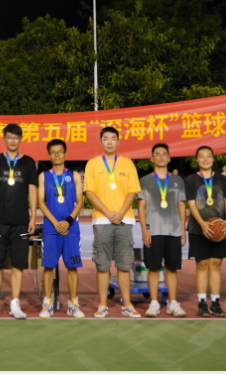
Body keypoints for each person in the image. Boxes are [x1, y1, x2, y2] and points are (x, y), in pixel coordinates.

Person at [84, 126, 141, 318]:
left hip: (125, 219)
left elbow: (132, 191)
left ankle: (127, 304)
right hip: (102, 220)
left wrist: (122, 211)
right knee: (102, 265)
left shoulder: (127, 164)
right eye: (106, 138)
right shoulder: (92, 164)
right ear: (101, 141)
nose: (109, 142)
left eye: (113, 138)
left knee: (124, 265)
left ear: (118, 141)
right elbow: (89, 192)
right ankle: (102, 305)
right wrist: (108, 212)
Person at [0, 123, 38, 320]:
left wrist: (33, 217)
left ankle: (15, 303)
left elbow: (33, 191)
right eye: (9, 137)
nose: (12, 140)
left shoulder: (29, 162)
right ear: (4, 139)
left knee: (18, 264)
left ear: (20, 139)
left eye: (16, 137)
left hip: (21, 220)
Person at [138, 143, 187, 318]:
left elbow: (181, 205)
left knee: (172, 269)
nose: (160, 157)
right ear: (152, 158)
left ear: (169, 157)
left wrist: (183, 229)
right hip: (153, 231)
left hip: (173, 230)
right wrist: (144, 230)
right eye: (157, 154)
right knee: (153, 269)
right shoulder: (145, 181)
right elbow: (141, 207)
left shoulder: (177, 180)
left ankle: (172, 303)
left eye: (164, 154)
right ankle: (154, 303)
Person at [185, 145, 226, 317]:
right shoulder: (190, 180)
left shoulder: (223, 179)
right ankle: (201, 303)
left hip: (220, 229)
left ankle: (215, 302)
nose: (205, 159)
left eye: (208, 156)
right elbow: (191, 205)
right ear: (197, 159)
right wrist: (202, 224)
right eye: (202, 156)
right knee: (202, 265)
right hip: (198, 230)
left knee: (216, 265)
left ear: (213, 159)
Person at [38, 139, 84, 319]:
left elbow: (80, 202)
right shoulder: (43, 176)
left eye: (60, 151)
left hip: (71, 229)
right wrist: (56, 223)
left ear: (65, 154)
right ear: (49, 155)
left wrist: (67, 221)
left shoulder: (74, 176)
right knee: (48, 267)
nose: (57, 155)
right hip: (51, 229)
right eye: (53, 152)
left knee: (72, 267)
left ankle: (73, 303)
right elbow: (41, 202)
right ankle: (47, 302)